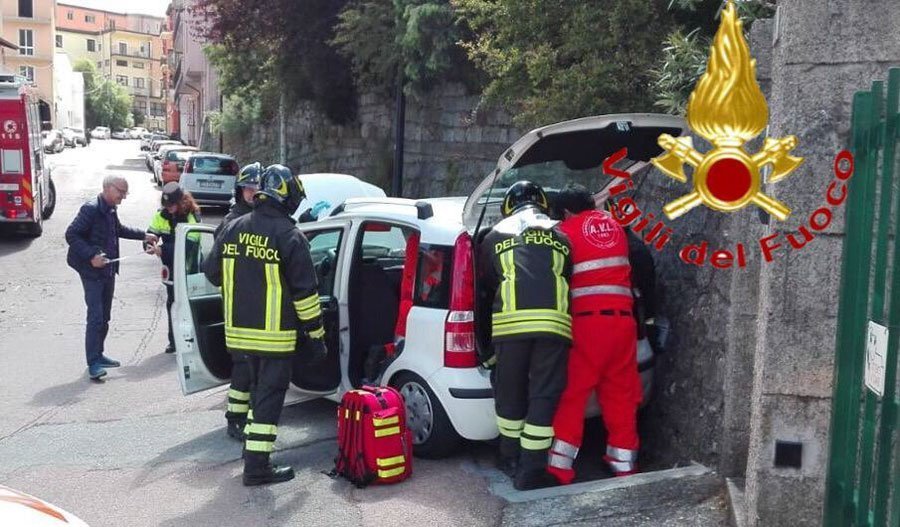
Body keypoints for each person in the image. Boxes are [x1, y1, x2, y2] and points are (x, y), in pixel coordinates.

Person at [203, 164, 327, 486]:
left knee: (256, 394)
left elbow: (211, 272)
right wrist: (316, 337)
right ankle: (257, 467)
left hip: (238, 335)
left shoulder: (233, 227)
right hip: (274, 339)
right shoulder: (290, 236)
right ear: (286, 197)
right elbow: (306, 296)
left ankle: (250, 450)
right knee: (269, 399)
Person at [479, 180, 572, 491]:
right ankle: (531, 470)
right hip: (553, 326)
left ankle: (508, 458)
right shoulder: (562, 234)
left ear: (507, 206)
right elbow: (567, 274)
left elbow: (488, 284)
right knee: (543, 396)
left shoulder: (493, 236)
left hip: (510, 327)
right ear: (544, 203)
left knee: (510, 392)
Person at [547, 184, 641, 484]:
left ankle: (560, 469)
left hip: (588, 324)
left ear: (566, 212)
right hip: (624, 323)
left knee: (572, 395)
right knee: (621, 395)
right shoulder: (616, 226)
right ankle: (623, 463)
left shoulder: (565, 231)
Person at [65, 176, 158, 380]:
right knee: (96, 317)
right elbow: (71, 235)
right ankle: (93, 363)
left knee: (105, 316)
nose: (123, 197)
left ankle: (99, 354)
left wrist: (144, 235)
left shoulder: (110, 208)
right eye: (121, 192)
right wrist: (91, 256)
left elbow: (119, 229)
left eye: (125, 193)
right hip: (91, 272)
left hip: (108, 270)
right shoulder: (90, 209)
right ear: (107, 188)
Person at [217, 161, 262, 441]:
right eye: (249, 188)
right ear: (240, 190)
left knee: (255, 365)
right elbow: (215, 267)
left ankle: (250, 414)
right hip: (239, 304)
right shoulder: (232, 222)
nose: (254, 192)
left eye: (258, 187)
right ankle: (235, 418)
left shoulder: (263, 218)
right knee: (243, 365)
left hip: (259, 303)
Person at [147, 182, 201, 354]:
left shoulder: (192, 216)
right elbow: (150, 233)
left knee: (188, 305)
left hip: (189, 269)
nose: (168, 208)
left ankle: (191, 341)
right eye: (166, 205)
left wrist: (162, 250)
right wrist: (150, 242)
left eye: (171, 205)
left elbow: (190, 245)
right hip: (171, 269)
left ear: (182, 202)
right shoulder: (161, 215)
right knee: (172, 304)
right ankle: (174, 341)